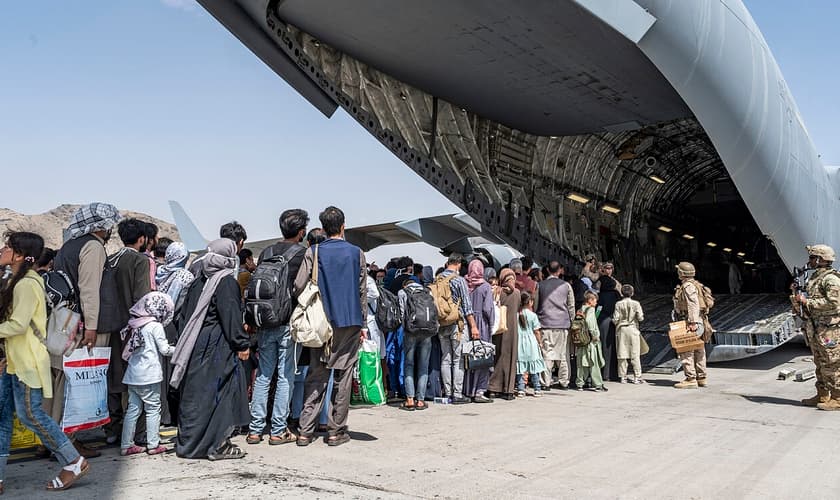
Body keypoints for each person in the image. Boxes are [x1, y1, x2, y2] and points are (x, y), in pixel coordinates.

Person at [0, 232, 90, 492]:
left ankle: (73, 460)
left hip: (26, 362)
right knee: (3, 416)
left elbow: (18, 325)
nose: (3, 250)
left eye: (8, 247)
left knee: (32, 416)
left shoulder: (27, 283)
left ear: (18, 255)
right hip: (14, 361)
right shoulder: (15, 280)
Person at [52, 202, 121, 458]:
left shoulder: (68, 245)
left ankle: (53, 438)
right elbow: (89, 289)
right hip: (83, 326)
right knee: (79, 383)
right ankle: (67, 442)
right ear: (100, 225)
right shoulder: (92, 246)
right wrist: (91, 327)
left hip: (64, 320)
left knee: (62, 380)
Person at [171, 238, 251, 460]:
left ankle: (189, 444)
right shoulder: (226, 282)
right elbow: (231, 315)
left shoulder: (198, 281)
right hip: (217, 346)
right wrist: (241, 343)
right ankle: (217, 445)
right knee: (221, 395)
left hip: (193, 345)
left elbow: (184, 316)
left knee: (196, 395)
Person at [293, 206, 366, 447]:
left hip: (320, 322)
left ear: (323, 228)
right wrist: (363, 323)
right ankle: (336, 430)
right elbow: (362, 291)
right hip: (349, 321)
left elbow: (299, 285)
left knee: (316, 376)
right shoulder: (357, 253)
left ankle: (305, 430)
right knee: (343, 378)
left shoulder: (313, 252)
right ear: (343, 226)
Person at [246, 209, 308, 446]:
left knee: (263, 375)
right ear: (301, 232)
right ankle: (278, 429)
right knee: (285, 377)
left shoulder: (266, 252)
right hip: (288, 323)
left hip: (264, 322)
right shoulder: (303, 254)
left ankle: (255, 429)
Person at [120, 292, 176, 456]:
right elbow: (165, 350)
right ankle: (153, 444)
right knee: (153, 409)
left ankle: (126, 444)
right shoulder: (155, 326)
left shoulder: (134, 323)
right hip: (149, 375)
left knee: (133, 410)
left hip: (133, 374)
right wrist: (180, 350)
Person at [794, 245, 840, 409]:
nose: (810, 261)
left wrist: (808, 302)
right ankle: (822, 395)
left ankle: (837, 398)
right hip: (816, 328)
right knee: (819, 362)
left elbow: (834, 303)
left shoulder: (831, 279)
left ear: (821, 259)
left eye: (813, 258)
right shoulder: (815, 278)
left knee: (832, 363)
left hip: (829, 330)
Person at [153, 241, 194, 426]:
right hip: (174, 326)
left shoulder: (159, 272)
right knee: (174, 373)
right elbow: (179, 303)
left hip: (155, 324)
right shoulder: (184, 275)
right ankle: (171, 415)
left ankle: (160, 414)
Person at [434, 253, 479, 404]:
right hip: (457, 324)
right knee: (458, 359)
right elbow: (467, 306)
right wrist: (473, 326)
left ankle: (447, 393)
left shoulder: (438, 278)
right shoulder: (459, 280)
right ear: (459, 264)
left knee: (445, 359)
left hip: (441, 323)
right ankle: (457, 393)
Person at [397, 278, 435, 410]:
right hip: (427, 331)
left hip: (410, 332)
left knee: (408, 364)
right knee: (423, 366)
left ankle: (410, 400)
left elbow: (402, 314)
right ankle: (420, 400)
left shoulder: (403, 292)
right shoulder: (427, 292)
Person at [536, 261, 574, 389]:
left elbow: (536, 304)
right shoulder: (566, 285)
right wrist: (571, 321)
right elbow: (571, 306)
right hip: (562, 324)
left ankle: (545, 382)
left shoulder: (540, 285)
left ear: (547, 269)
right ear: (559, 271)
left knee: (546, 354)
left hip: (545, 323)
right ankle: (564, 381)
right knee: (562, 354)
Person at [672, 262, 708, 389]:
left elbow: (693, 304)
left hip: (691, 322)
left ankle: (691, 379)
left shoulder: (687, 286)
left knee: (686, 351)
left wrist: (692, 322)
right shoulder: (696, 285)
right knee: (699, 350)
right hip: (699, 321)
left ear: (682, 273)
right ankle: (701, 377)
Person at [464, 259, 494, 403]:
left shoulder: (465, 284)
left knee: (467, 357)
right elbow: (488, 309)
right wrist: (491, 325)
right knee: (482, 357)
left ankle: (467, 389)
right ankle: (479, 390)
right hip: (481, 324)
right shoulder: (486, 287)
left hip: (467, 324)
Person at [488, 269, 520, 400]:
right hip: (512, 329)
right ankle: (508, 390)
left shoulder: (497, 291)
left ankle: (493, 388)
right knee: (511, 358)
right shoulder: (517, 293)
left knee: (498, 357)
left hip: (499, 328)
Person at [515, 292, 546, 397]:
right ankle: (537, 389)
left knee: (521, 367)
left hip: (520, 342)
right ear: (530, 302)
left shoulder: (517, 314)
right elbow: (536, 331)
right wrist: (540, 342)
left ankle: (520, 389)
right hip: (531, 342)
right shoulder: (533, 316)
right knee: (534, 367)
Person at [612, 285, 645, 384]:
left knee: (622, 354)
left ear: (621, 293)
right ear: (632, 293)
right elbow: (640, 318)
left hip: (621, 330)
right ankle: (637, 376)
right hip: (633, 329)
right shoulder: (636, 303)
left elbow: (615, 319)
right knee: (635, 354)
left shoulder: (618, 304)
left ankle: (623, 377)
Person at [576, 291, 606, 391]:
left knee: (582, 362)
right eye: (595, 300)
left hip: (581, 339)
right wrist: (594, 335)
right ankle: (598, 384)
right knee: (594, 362)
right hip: (590, 340)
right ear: (590, 300)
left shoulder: (580, 309)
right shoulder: (591, 310)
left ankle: (580, 383)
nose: (596, 302)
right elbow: (590, 322)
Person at [596, 262, 621, 382]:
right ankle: (613, 373)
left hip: (602, 322)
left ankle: (604, 373)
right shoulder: (616, 295)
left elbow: (598, 309)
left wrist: (595, 318)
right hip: (613, 322)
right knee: (614, 347)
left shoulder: (600, 296)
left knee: (603, 347)